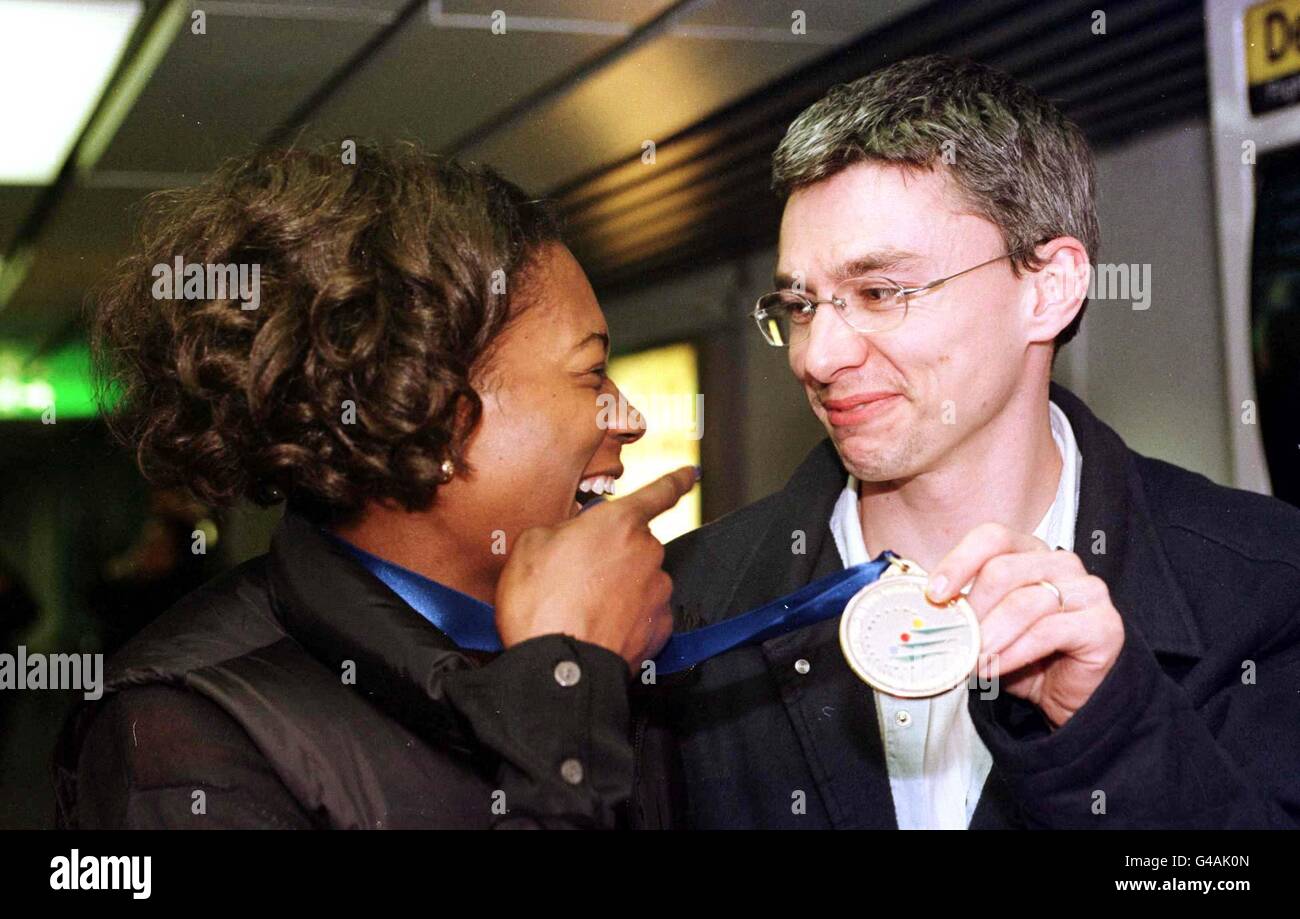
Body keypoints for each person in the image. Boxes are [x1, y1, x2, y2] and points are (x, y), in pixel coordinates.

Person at [653, 55, 1300, 829]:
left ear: (1047, 288)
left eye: (880, 293)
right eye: (799, 304)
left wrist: (1110, 727)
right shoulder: (686, 607)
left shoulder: (1265, 581)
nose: (817, 357)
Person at [54, 142, 697, 829]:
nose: (627, 418)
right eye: (591, 373)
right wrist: (566, 697)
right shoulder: (182, 734)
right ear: (436, 424)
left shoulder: (625, 628)